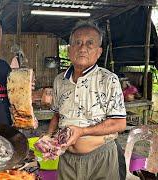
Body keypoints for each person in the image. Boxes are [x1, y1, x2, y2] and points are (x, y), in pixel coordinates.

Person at [46, 21, 126, 180]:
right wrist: (48, 138)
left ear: (99, 51)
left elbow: (119, 124)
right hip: (67, 160)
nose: (82, 48)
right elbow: (56, 115)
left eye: (90, 43)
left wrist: (83, 131)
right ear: (69, 50)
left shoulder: (109, 79)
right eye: (77, 43)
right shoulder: (59, 80)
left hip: (101, 158)